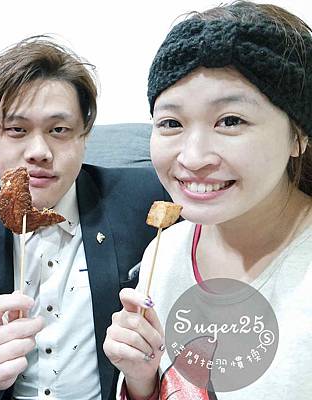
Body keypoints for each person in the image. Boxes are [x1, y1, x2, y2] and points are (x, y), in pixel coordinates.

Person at [0, 37, 168, 400]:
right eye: (17, 130)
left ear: (84, 136)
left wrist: (143, 380)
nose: (39, 152)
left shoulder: (147, 201)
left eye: (59, 130)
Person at [103, 1, 312, 399]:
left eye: (230, 121)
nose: (194, 157)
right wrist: (141, 380)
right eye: (171, 123)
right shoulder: (163, 252)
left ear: (298, 135)